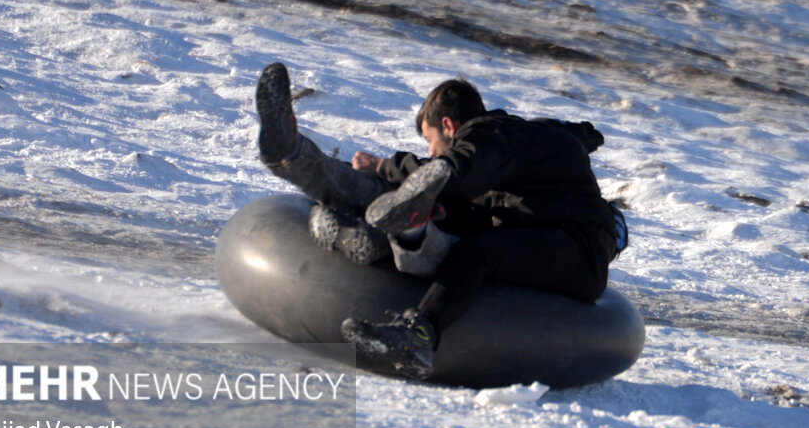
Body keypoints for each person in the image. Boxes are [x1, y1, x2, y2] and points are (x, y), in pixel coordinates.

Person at [254, 62, 625, 379]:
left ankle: (418, 336)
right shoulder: (518, 146)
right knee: (431, 203)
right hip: (531, 232)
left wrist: (397, 166)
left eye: (430, 141)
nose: (428, 152)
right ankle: (298, 157)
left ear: (448, 125)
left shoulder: (497, 136)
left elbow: (463, 163)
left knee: (472, 252)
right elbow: (456, 172)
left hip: (575, 251)